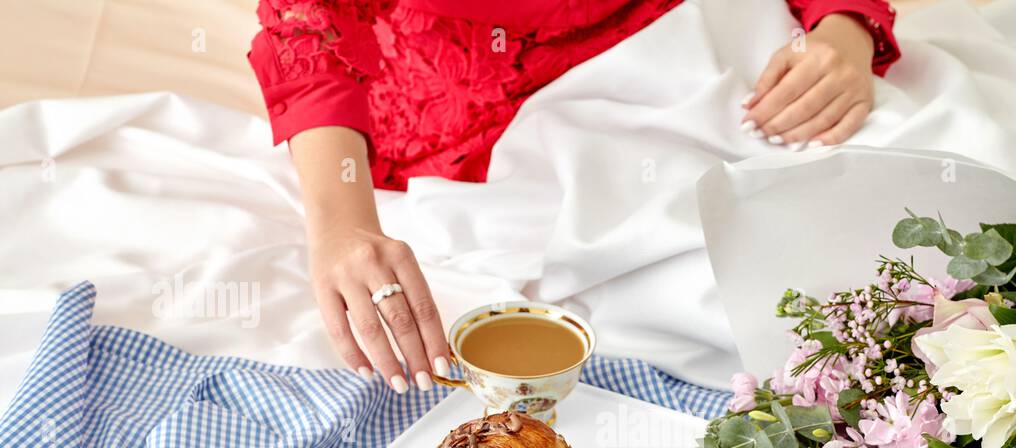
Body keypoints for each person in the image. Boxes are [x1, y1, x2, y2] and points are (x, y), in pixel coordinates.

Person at [248, 1, 900, 392]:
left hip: (712, 51)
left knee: (919, 225)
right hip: (488, 121)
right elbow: (310, 23)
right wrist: (340, 224)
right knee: (774, 308)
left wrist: (843, 29)